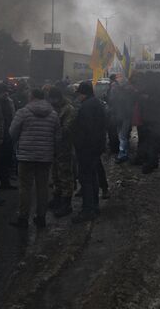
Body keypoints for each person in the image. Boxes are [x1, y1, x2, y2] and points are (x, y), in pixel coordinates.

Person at [8, 88, 61, 228]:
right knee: (42, 187)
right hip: (45, 157)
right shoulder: (53, 114)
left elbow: (12, 132)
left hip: (26, 156)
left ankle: (23, 218)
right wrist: (54, 152)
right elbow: (57, 136)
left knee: (25, 187)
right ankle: (41, 217)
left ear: (31, 97)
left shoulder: (23, 112)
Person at [71, 81, 106, 223]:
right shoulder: (97, 103)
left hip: (87, 148)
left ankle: (87, 210)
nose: (78, 96)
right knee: (93, 177)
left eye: (79, 93)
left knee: (85, 178)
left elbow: (86, 130)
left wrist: (79, 144)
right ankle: (94, 206)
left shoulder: (86, 107)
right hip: (96, 147)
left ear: (83, 93)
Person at [47, 86, 76, 217]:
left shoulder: (69, 109)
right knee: (55, 174)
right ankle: (57, 197)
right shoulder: (53, 107)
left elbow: (66, 129)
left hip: (64, 147)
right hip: (54, 147)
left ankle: (66, 203)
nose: (53, 101)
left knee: (65, 175)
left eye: (54, 99)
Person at [0, 83, 16, 190]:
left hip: (8, 134)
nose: (6, 93)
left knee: (7, 159)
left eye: (7, 91)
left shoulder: (10, 102)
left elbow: (13, 115)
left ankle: (5, 182)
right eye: (4, 92)